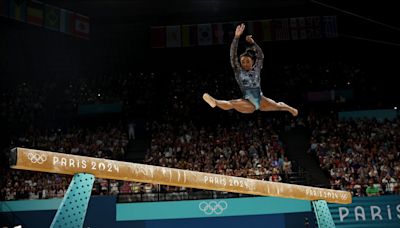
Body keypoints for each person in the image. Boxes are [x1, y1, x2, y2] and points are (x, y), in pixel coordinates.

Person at [203, 23, 298, 116]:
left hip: (261, 99)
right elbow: (233, 55)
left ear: (252, 62)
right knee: (232, 103)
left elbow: (260, 55)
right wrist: (236, 38)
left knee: (277, 106)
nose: (245, 64)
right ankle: (214, 102)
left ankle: (289, 108)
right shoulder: (238, 71)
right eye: (243, 62)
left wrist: (253, 43)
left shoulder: (256, 68)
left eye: (247, 61)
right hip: (247, 102)